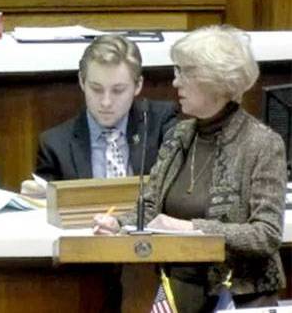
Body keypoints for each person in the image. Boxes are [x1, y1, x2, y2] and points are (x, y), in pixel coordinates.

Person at [93, 25, 287, 312]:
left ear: (215, 80)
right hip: (177, 294)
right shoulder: (179, 135)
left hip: (239, 298)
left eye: (184, 72)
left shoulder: (261, 144)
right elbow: (150, 208)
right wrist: (119, 224)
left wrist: (192, 229)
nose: (175, 83)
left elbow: (266, 234)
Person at [23, 35, 178, 194]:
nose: (106, 102)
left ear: (138, 85)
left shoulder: (160, 124)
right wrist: (39, 198)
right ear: (82, 82)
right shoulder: (55, 145)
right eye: (96, 89)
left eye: (118, 90)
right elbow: (49, 208)